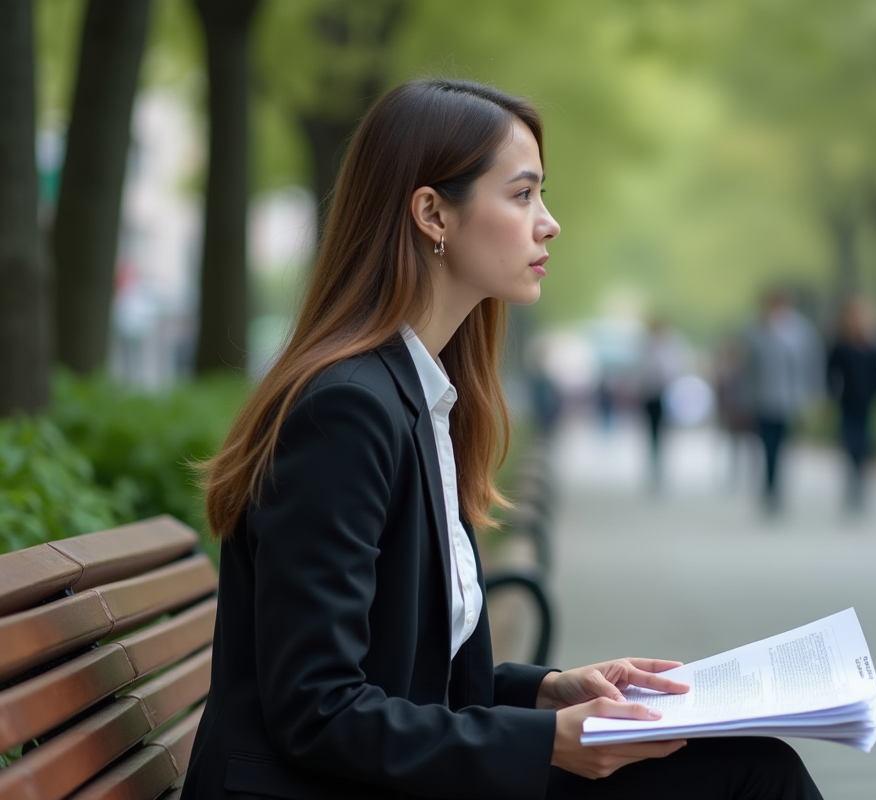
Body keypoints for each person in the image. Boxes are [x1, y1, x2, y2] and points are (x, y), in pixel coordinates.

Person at [182, 79, 822, 800]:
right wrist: (551, 741)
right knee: (753, 780)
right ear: (432, 214)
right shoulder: (347, 413)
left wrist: (553, 691)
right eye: (522, 196)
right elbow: (319, 709)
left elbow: (421, 676)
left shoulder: (419, 398)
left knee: (754, 767)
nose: (548, 224)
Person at [742, 288, 823, 516]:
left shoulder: (802, 330)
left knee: (782, 446)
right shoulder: (755, 330)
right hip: (762, 399)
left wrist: (815, 395)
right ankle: (769, 488)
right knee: (766, 446)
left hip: (790, 400)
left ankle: (777, 487)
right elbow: (748, 369)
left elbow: (812, 364)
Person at [826, 296, 876, 512]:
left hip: (867, 401)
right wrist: (829, 397)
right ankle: (852, 479)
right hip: (847, 401)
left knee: (865, 444)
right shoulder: (841, 344)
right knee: (850, 441)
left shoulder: (874, 344)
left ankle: (860, 480)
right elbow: (830, 373)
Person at [636, 317, 685, 490]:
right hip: (650, 394)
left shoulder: (672, 345)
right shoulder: (646, 345)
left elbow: (676, 368)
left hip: (666, 393)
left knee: (665, 432)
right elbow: (641, 370)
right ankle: (654, 465)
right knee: (652, 432)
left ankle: (662, 465)